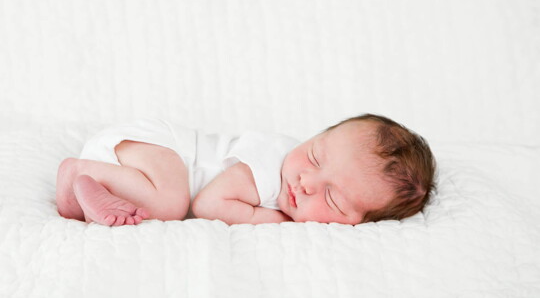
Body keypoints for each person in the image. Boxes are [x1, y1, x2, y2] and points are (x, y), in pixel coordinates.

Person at [56, 113, 436, 226]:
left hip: (140, 168)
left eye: (333, 198)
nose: (306, 182)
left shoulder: (294, 177)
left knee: (160, 203)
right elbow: (207, 204)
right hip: (158, 146)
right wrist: (275, 221)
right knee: (172, 204)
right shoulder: (273, 161)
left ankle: (83, 196)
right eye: (316, 158)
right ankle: (79, 172)